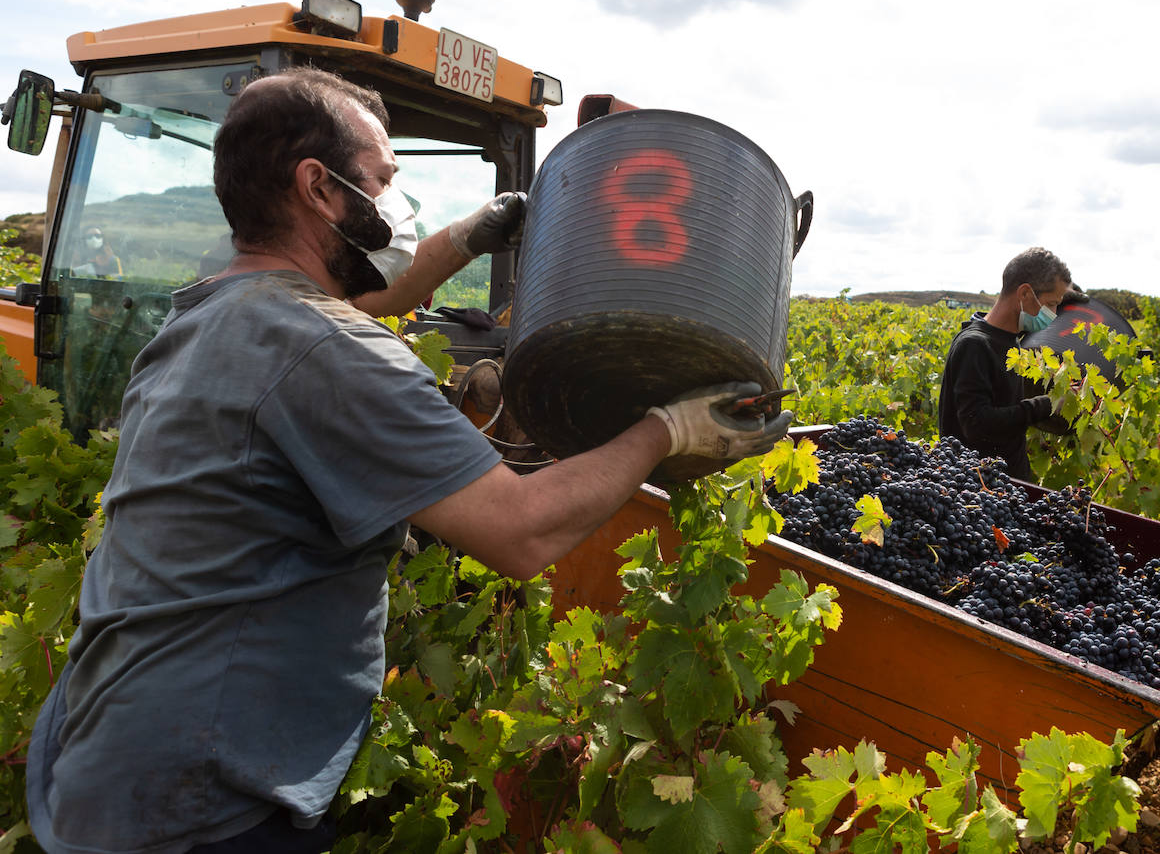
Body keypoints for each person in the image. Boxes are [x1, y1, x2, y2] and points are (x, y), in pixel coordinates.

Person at [25, 67, 792, 854]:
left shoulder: (219, 308)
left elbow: (363, 302)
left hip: (108, 758)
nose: (397, 202)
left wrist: (467, 236)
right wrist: (667, 430)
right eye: (384, 180)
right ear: (320, 188)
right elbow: (520, 531)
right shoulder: (325, 352)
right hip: (199, 804)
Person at [936, 247, 1073, 481]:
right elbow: (977, 425)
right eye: (1051, 304)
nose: (1054, 313)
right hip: (978, 493)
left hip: (1009, 483)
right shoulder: (975, 346)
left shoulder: (1010, 338)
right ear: (1025, 294)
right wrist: (1045, 405)